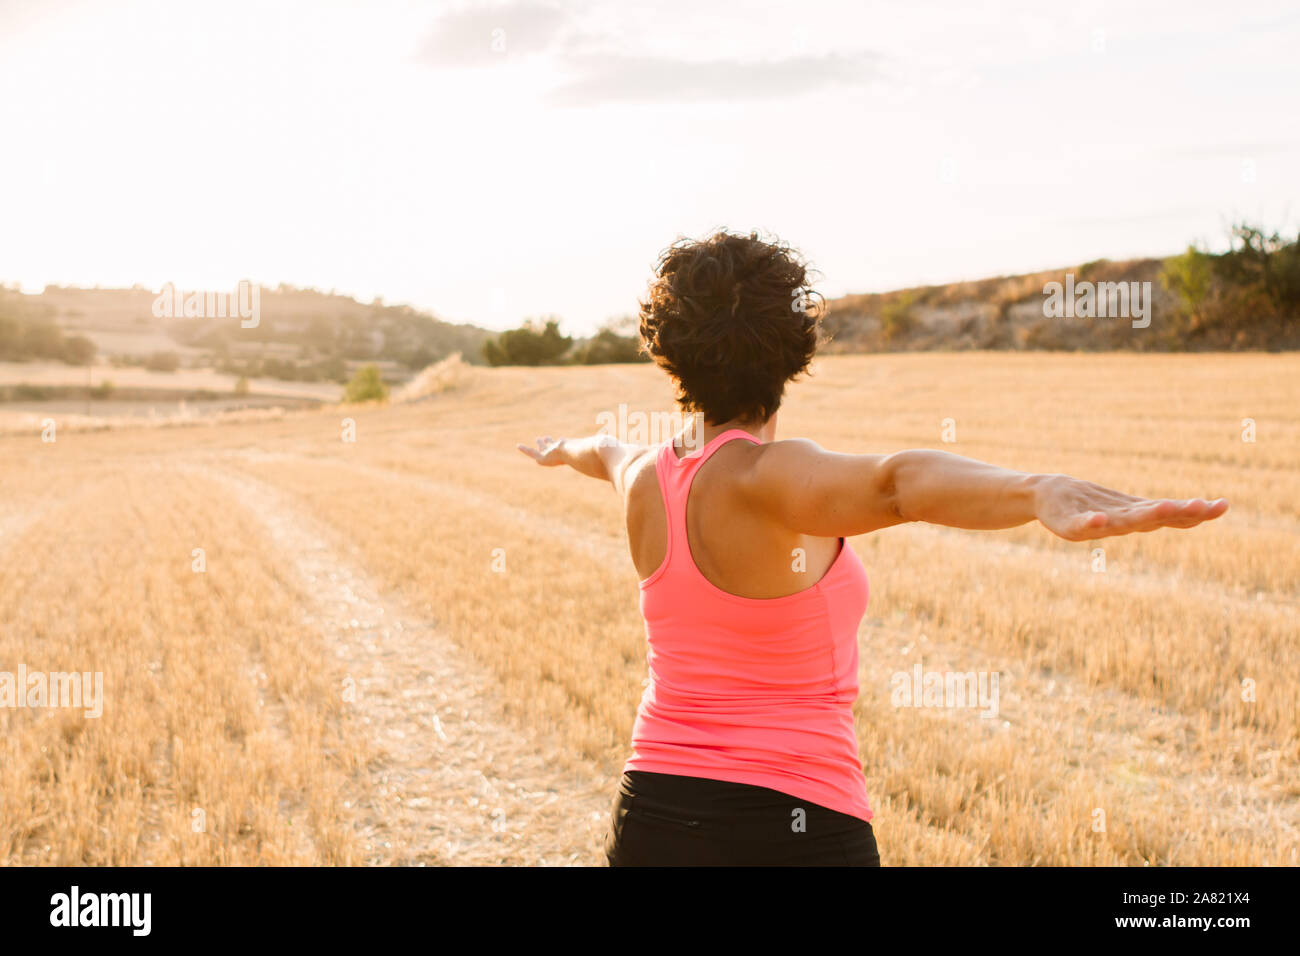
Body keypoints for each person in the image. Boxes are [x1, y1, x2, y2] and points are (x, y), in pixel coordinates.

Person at [517, 230, 1228, 866]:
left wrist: (559, 450)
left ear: (666, 348)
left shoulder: (642, 474)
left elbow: (601, 448)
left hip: (652, 815)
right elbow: (896, 484)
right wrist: (1037, 490)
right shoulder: (768, 476)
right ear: (795, 350)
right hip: (792, 823)